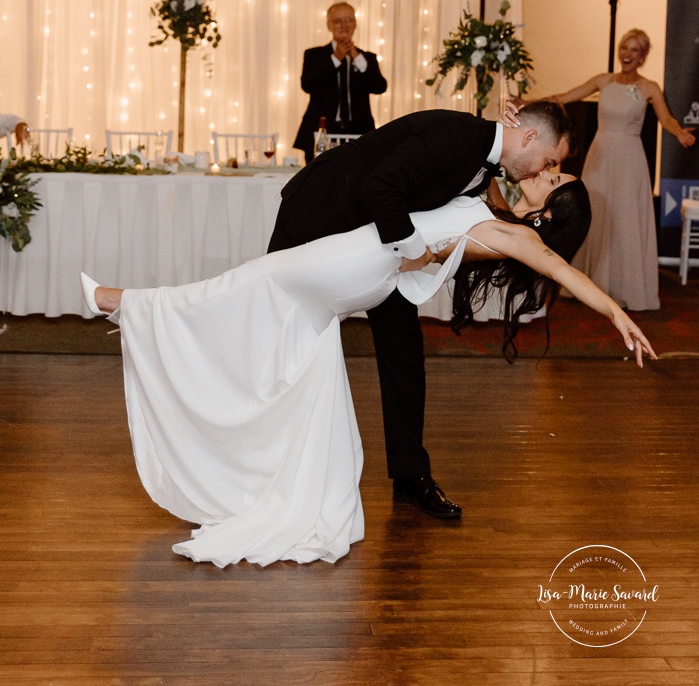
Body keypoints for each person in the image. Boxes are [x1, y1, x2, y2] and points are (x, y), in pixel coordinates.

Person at [80, 175, 656, 570]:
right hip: (369, 257)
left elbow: (557, 265)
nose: (544, 171)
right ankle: (278, 472)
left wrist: (615, 312)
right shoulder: (498, 207)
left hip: (362, 260)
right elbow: (486, 174)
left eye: (552, 179)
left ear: (546, 213)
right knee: (271, 309)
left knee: (251, 284)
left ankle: (124, 302)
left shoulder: (516, 235)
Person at [269, 100, 576, 521]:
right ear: (527, 138)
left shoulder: (487, 165)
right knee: (287, 341)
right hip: (320, 215)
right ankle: (268, 465)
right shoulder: (458, 136)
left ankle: (411, 477)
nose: (543, 171)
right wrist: (415, 252)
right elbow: (381, 186)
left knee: (404, 354)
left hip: (377, 244)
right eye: (548, 160)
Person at [546, 29, 696, 311]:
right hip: (601, 155)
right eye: (624, 48)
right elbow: (566, 96)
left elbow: (667, 119)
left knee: (625, 217)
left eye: (635, 50)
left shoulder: (650, 87)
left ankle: (625, 288)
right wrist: (529, 104)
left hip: (630, 160)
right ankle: (590, 285)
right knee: (595, 214)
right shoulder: (603, 80)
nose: (627, 54)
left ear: (643, 56)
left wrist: (679, 134)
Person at [293, 2, 388, 163]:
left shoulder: (367, 58)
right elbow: (307, 85)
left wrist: (357, 59)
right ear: (329, 26)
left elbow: (380, 87)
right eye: (338, 21)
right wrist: (335, 59)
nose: (344, 25)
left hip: (359, 132)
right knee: (318, 183)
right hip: (321, 132)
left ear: (355, 24)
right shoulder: (314, 55)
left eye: (349, 20)